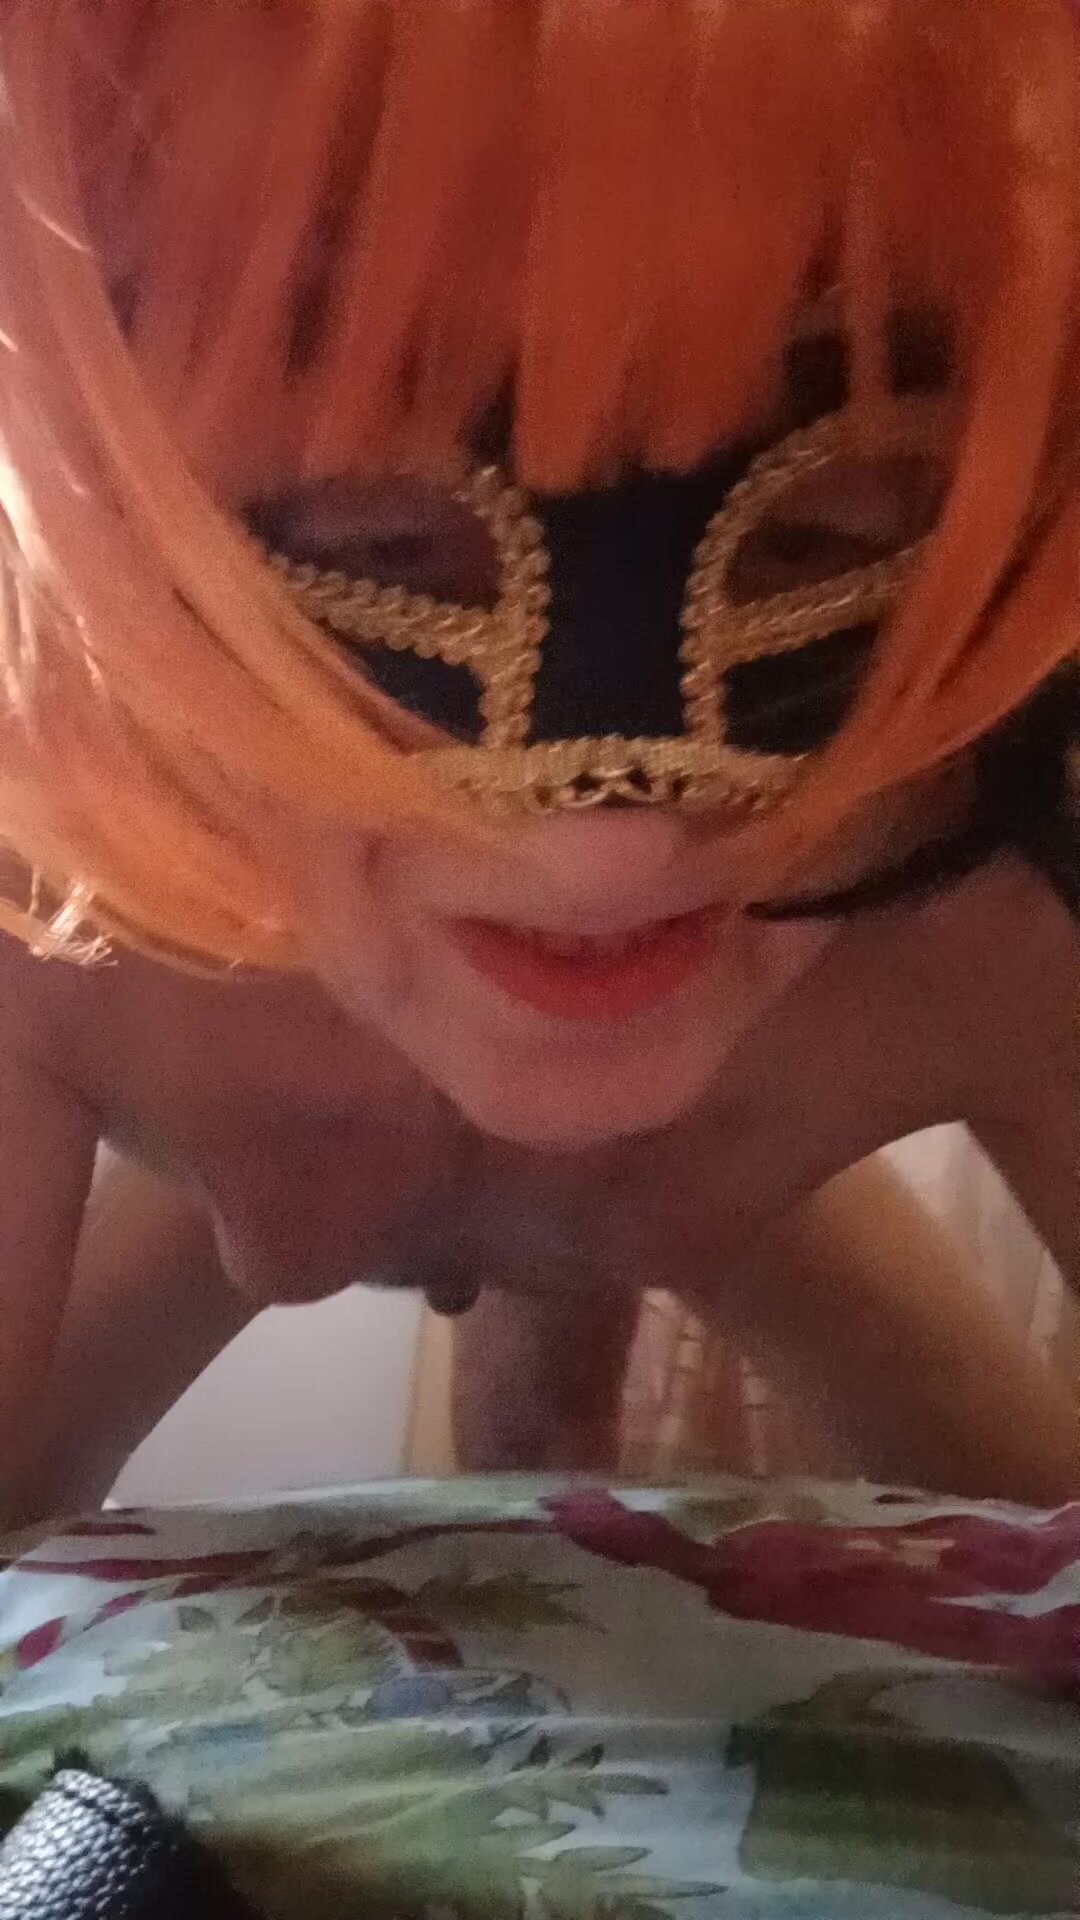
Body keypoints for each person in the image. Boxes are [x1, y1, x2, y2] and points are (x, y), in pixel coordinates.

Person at [0, 0, 1077, 1522]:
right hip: (229, 1033)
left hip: (730, 1118)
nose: (602, 851)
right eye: (376, 534)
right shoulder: (45, 895)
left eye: (831, 524)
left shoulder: (997, 900)